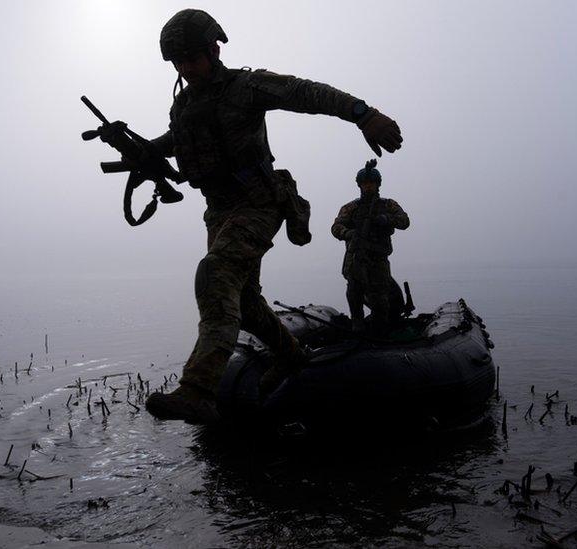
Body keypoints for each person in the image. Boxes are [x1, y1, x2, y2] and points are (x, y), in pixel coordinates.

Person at [143, 9, 403, 424]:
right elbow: (180, 139)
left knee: (217, 272)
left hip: (259, 202)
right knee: (244, 303)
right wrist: (148, 149)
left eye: (192, 58)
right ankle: (291, 356)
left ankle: (198, 390)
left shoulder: (247, 86)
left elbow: (305, 92)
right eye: (178, 62)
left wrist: (362, 114)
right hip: (219, 211)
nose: (186, 69)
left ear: (214, 49)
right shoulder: (186, 104)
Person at [331, 159, 410, 335]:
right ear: (359, 185)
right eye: (365, 184)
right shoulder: (350, 208)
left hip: (378, 260)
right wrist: (347, 233)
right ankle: (357, 329)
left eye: (371, 184)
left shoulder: (388, 205)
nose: (368, 187)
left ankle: (380, 333)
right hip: (356, 259)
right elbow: (336, 227)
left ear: (377, 185)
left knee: (381, 300)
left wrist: (387, 219)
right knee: (354, 295)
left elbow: (405, 221)